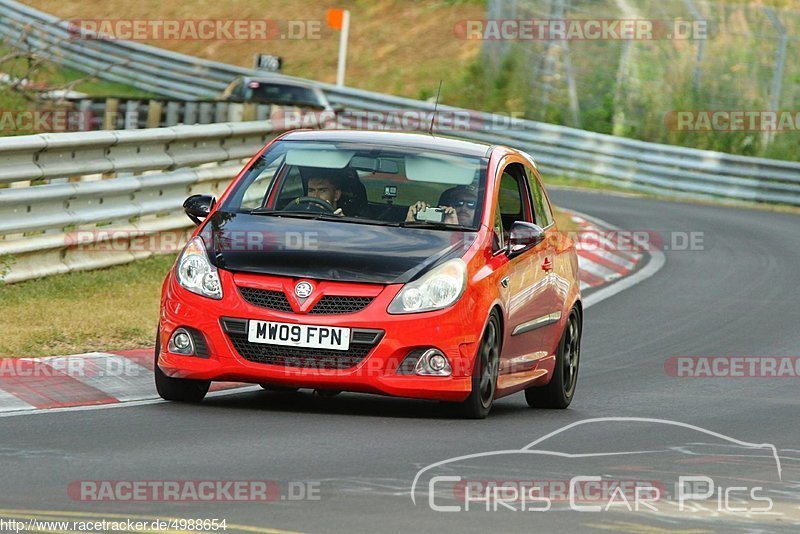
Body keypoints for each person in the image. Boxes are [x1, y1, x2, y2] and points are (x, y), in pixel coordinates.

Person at [405, 185, 478, 226]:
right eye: (458, 202)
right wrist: (411, 224)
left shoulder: (483, 235)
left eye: (471, 204)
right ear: (450, 204)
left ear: (478, 209)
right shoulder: (432, 230)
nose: (463, 208)